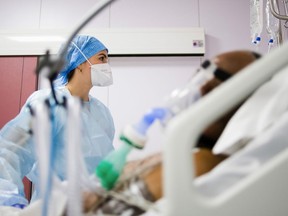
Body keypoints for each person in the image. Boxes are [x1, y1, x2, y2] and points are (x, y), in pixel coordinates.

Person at [81, 50, 261, 215]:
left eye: (210, 83)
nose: (198, 88)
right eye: (199, 76)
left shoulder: (201, 163)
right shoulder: (183, 157)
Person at [0, 35, 115, 207]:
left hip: (93, 207)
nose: (107, 65)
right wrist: (9, 200)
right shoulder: (49, 103)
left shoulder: (102, 113)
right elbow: (11, 152)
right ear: (80, 62)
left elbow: (106, 166)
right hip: (54, 207)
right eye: (101, 58)